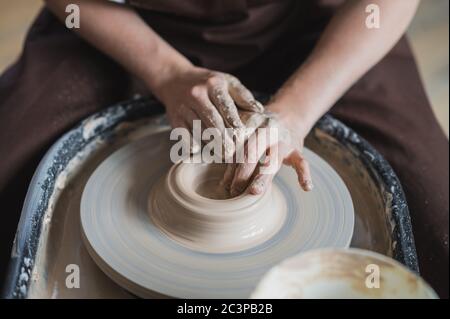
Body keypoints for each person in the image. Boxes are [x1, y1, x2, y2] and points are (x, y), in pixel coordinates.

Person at [0, 0, 447, 297]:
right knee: (12, 173)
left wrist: (295, 112)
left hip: (322, 26)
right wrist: (167, 73)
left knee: (435, 216)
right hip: (126, 26)